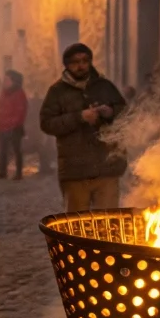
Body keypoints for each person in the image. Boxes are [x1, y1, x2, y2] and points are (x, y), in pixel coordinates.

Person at [40, 43, 128, 211]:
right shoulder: (57, 91)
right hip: (75, 170)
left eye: (84, 61)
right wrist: (79, 117)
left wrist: (110, 112)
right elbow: (47, 123)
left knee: (107, 225)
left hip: (106, 167)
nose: (80, 66)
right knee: (77, 226)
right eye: (75, 62)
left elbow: (124, 112)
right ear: (67, 65)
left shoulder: (105, 86)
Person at [0, 70, 28, 180]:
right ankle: (2, 172)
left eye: (7, 79)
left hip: (14, 128)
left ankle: (18, 173)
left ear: (13, 81)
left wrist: (12, 124)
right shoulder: (4, 92)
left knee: (17, 150)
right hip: (2, 126)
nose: (4, 81)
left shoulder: (19, 94)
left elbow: (20, 112)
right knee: (2, 150)